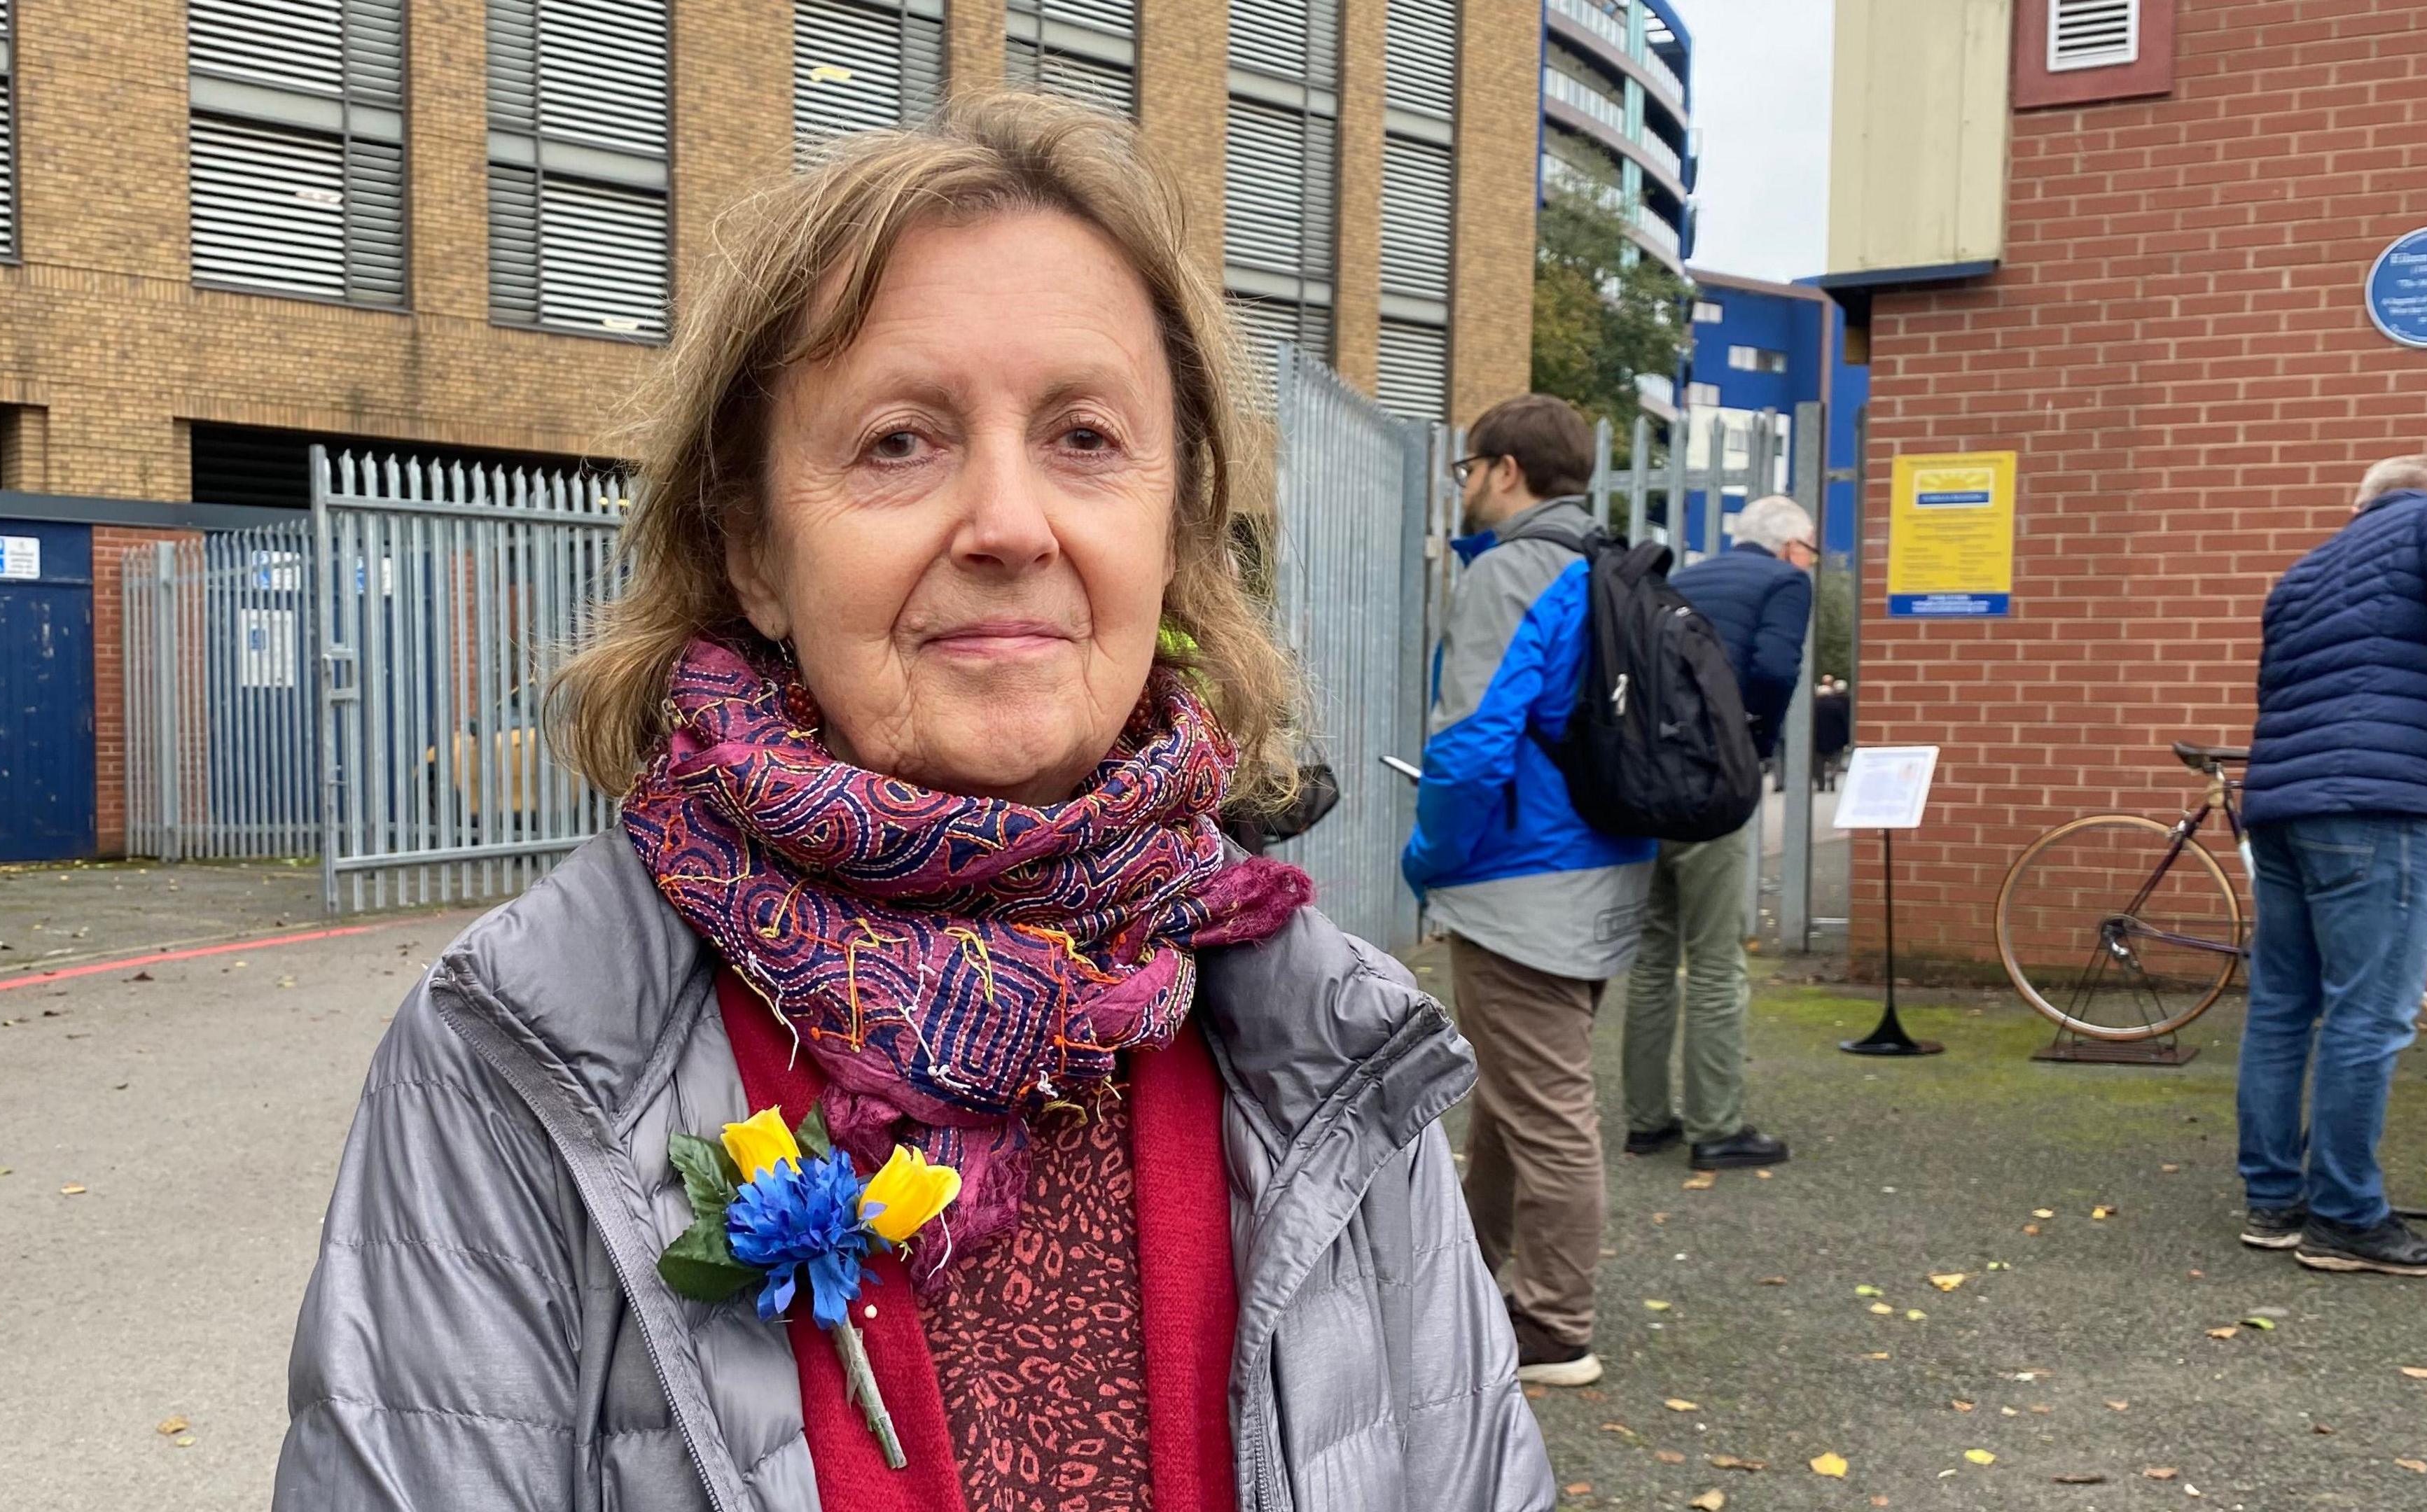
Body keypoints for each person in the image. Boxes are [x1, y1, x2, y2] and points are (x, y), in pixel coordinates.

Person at [274, 94, 1556, 1511]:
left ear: (1172, 528)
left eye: (1083, 436)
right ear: (753, 550)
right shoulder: (515, 1056)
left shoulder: (1333, 1039)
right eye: (898, 441)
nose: (1009, 524)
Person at [1403, 393, 1658, 1388]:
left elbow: (1472, 747)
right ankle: (1468, 1279)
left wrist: (1429, 857)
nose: (1465, 486)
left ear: (1505, 470)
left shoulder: (1517, 570)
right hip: (1604, 865)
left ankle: (1555, 1326)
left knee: (1547, 1112)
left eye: (1469, 467)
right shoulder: (1608, 565)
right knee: (1515, 1095)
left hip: (1521, 880)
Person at [2235, 452, 2427, 1278]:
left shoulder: (2305, 570)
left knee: (2281, 1007)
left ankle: (2274, 1202)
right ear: (2423, 496)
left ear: (2359, 503)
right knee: (2368, 1017)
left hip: (2280, 807)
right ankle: (2345, 1217)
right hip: (2373, 807)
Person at [1615, 496, 1811, 1172]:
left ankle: (1646, 1122)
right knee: (1717, 961)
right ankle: (1716, 1125)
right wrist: (1748, 743)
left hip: (1648, 789)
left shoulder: (1685, 581)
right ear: (1791, 548)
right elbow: (1776, 670)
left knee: (1650, 958)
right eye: (1810, 551)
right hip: (1710, 789)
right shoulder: (1786, 583)